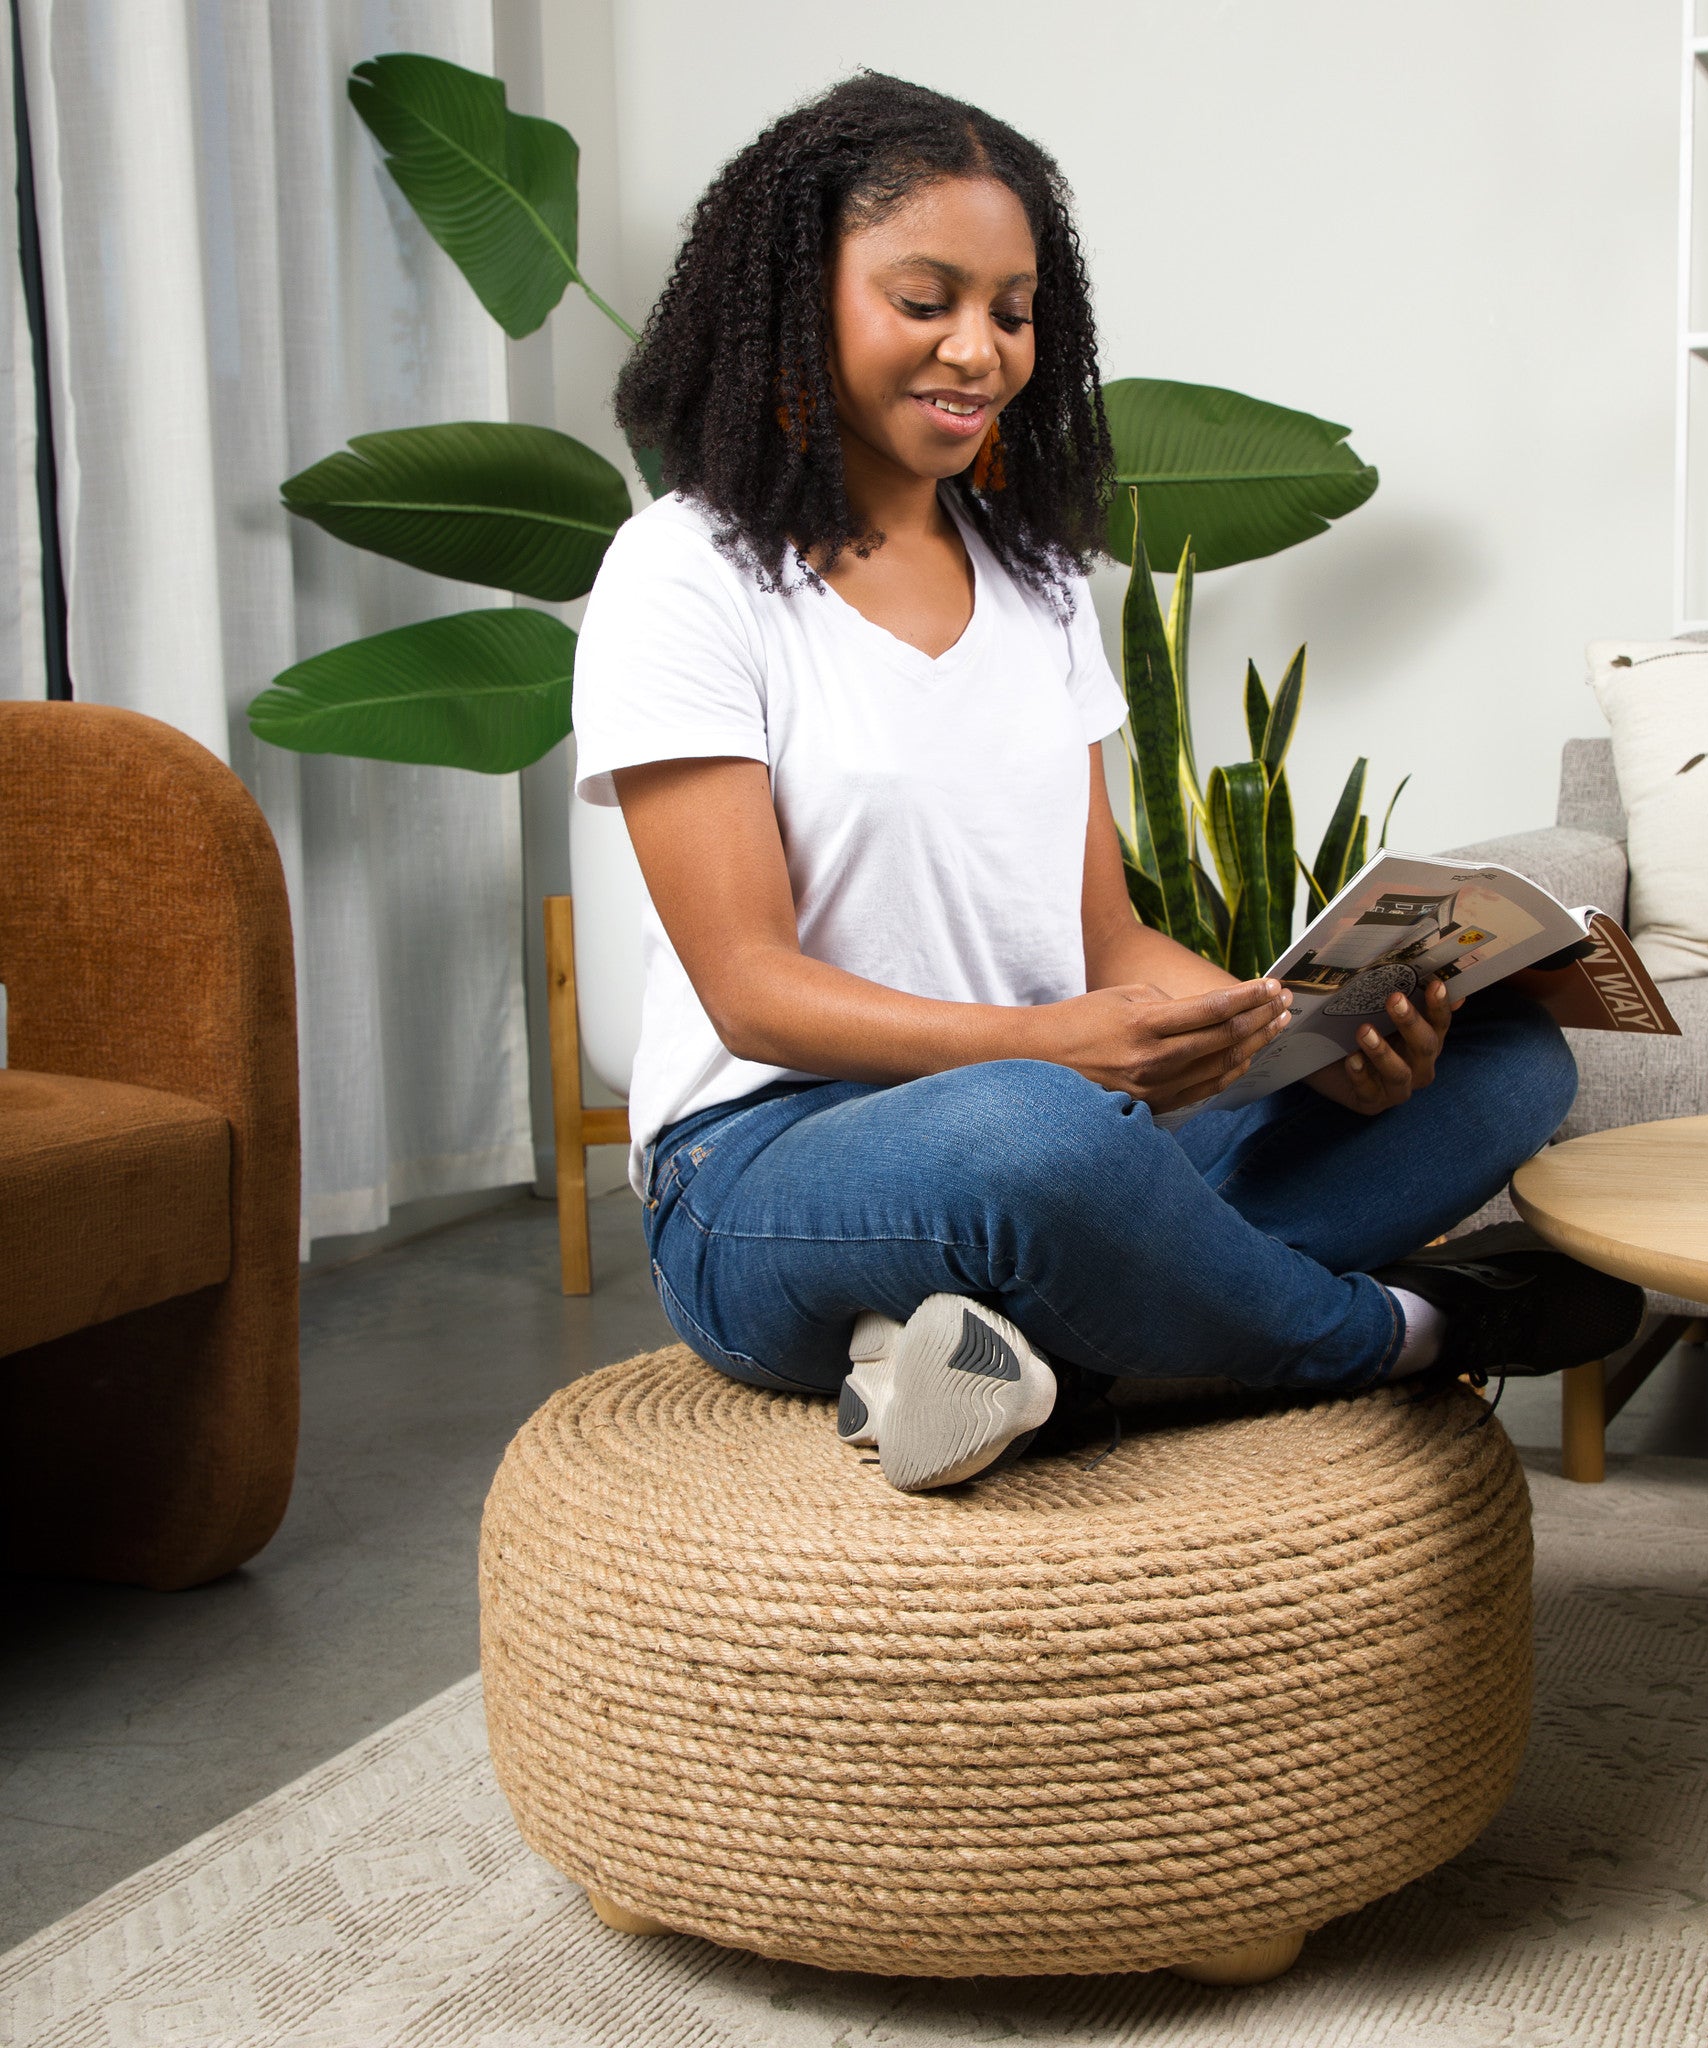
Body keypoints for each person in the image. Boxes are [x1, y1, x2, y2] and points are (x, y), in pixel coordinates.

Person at [573, 73, 1641, 1493]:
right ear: (795, 300)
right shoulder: (685, 571)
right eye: (925, 299)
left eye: (1012, 312)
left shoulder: (1039, 582)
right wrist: (1055, 1054)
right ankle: (1392, 1332)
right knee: (1040, 1137)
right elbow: (749, 989)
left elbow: (1105, 935)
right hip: (766, 1178)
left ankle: (1039, 1362)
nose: (979, 349)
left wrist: (1284, 1032)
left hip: (1075, 1128)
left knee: (1511, 1064)